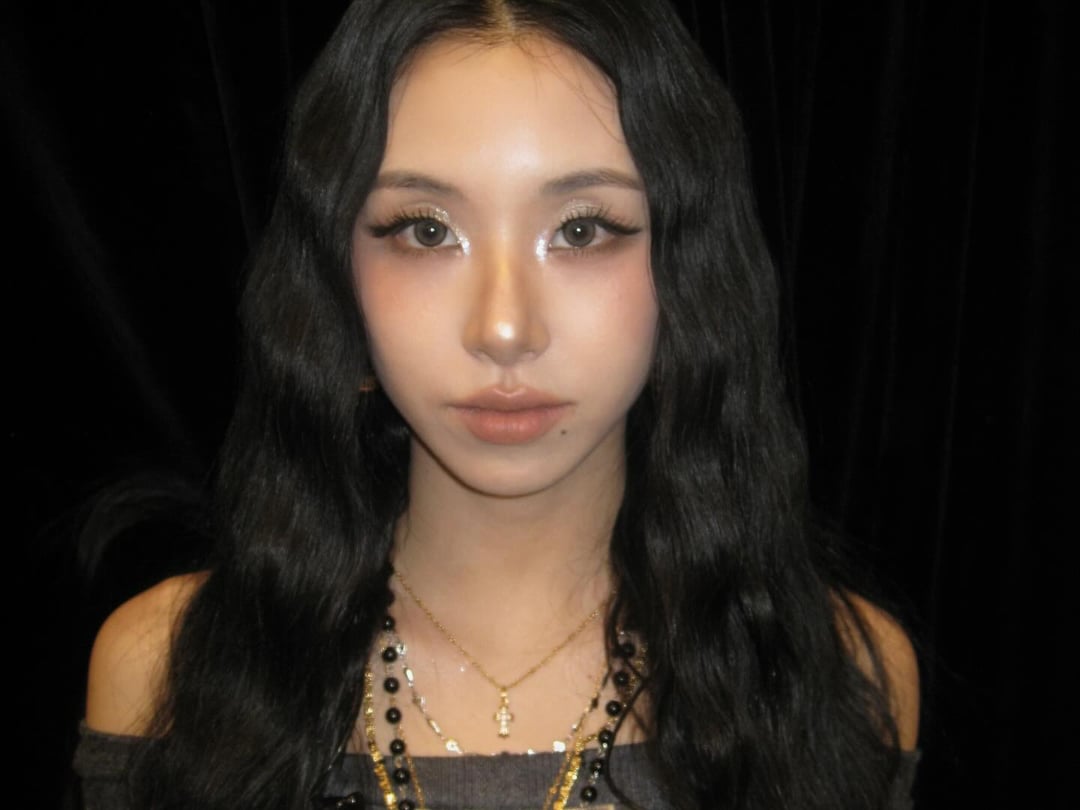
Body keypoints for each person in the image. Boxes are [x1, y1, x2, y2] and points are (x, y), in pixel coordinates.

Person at [76, 0, 920, 808]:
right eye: (427, 230)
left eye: (582, 230)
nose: (505, 328)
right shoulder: (171, 674)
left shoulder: (834, 676)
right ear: (335, 278)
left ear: (688, 270)